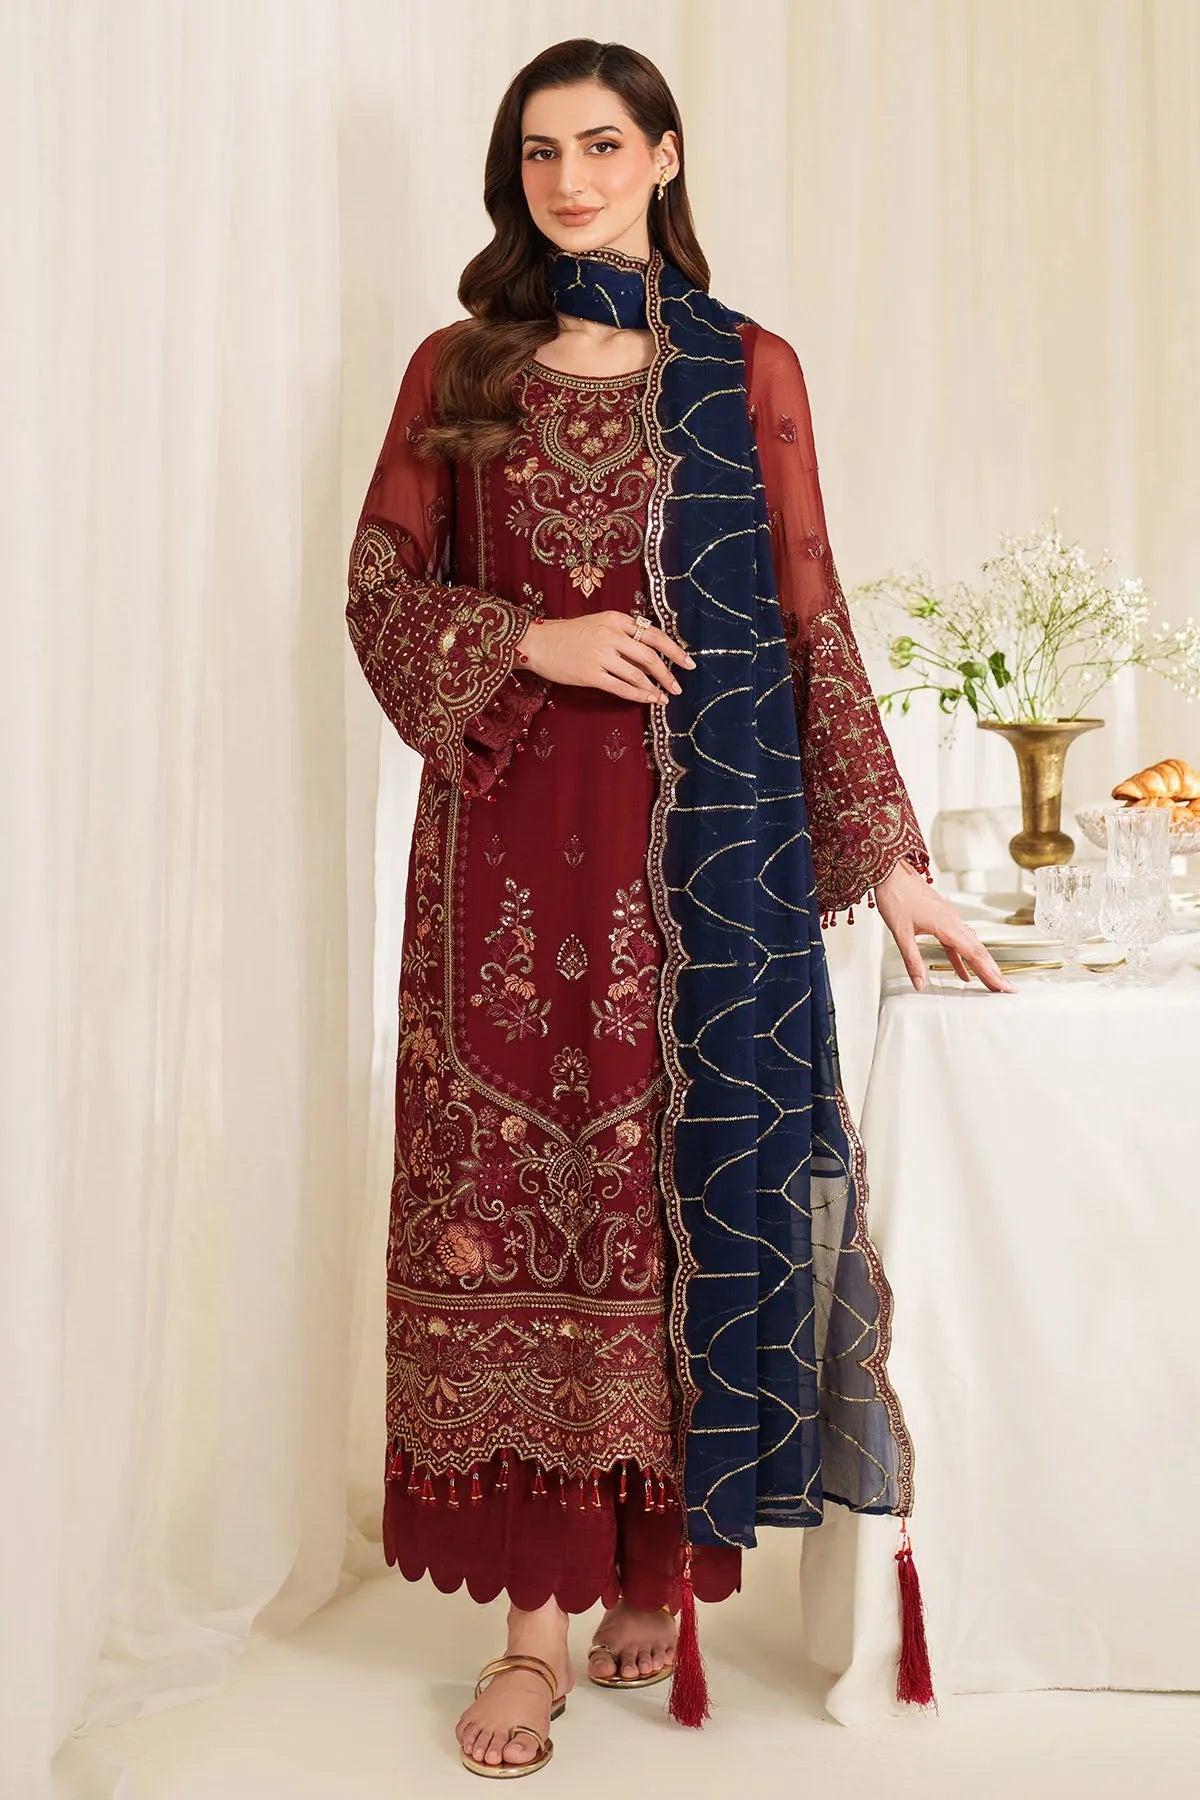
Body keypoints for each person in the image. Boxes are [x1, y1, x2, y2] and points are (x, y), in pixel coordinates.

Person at [346, 36, 1015, 1780]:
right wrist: (533, 640)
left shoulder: (744, 369)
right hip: (506, 857)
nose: (567, 179)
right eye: (538, 152)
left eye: (599, 145)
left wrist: (888, 863)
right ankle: (532, 1631)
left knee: (680, 1204)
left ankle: (662, 1564)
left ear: (661, 155)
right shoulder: (459, 369)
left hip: (702, 863)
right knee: (535, 1199)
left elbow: (808, 616)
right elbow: (378, 590)